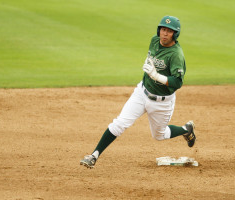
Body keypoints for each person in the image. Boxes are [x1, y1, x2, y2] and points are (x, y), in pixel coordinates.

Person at [80, 15, 196, 169]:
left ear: (175, 34)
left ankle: (186, 130)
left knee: (159, 135)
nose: (164, 33)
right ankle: (94, 155)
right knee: (119, 123)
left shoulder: (176, 55)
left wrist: (156, 76)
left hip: (162, 102)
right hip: (142, 93)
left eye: (169, 31)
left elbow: (178, 82)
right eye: (163, 29)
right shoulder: (154, 41)